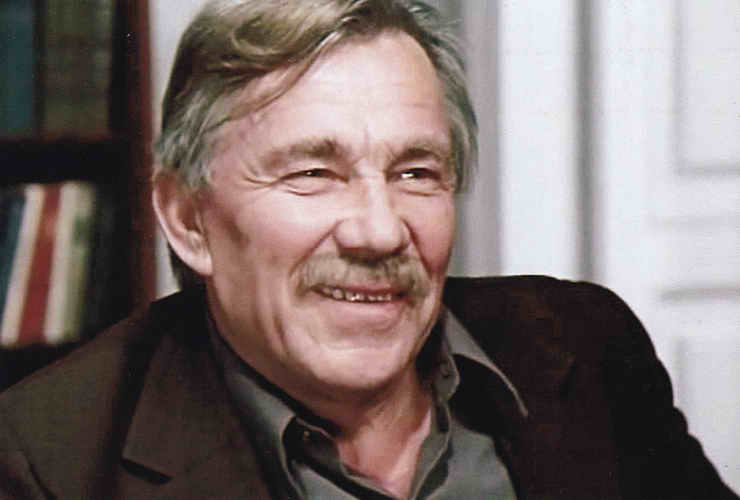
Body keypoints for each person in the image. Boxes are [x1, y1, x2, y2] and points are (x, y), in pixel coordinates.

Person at [0, 0, 737, 498]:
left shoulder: (586, 344)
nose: (380, 231)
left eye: (416, 172)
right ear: (188, 218)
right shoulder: (49, 460)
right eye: (312, 174)